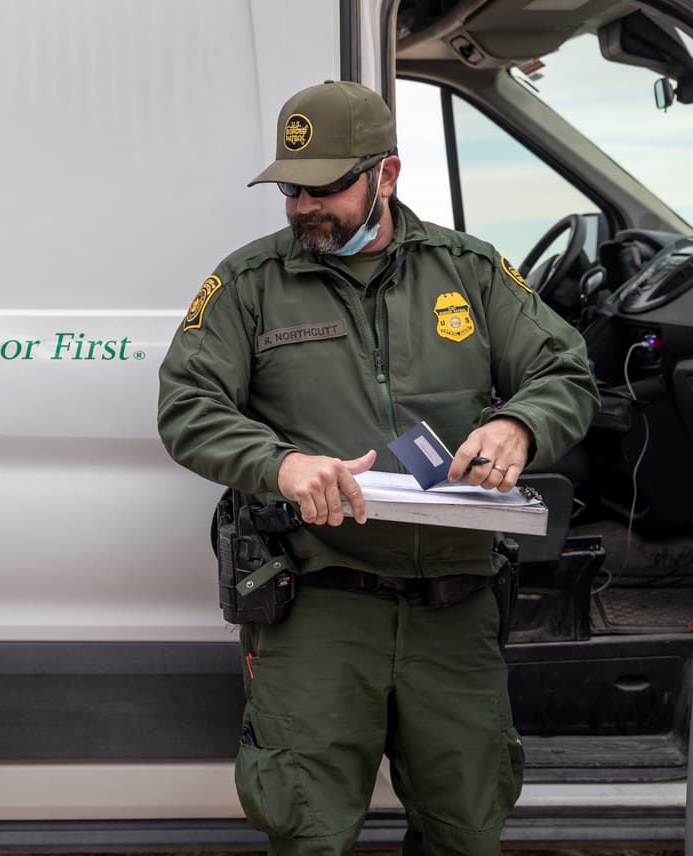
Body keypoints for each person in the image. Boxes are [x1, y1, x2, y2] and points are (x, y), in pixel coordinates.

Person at [156, 80, 598, 855]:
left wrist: (519, 425)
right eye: (292, 187)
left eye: (325, 186)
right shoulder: (249, 284)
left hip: (454, 610)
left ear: (385, 175)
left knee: (466, 828)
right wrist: (280, 462)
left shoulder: (469, 270)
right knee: (308, 831)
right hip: (319, 604)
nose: (302, 207)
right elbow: (187, 406)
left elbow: (565, 370)